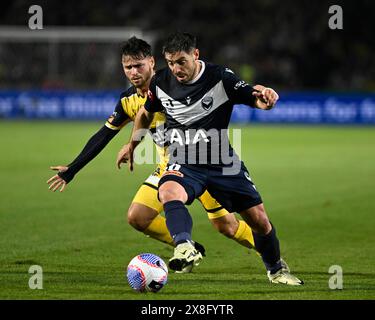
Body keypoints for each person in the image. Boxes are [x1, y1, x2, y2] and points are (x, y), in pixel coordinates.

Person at [46, 36, 259, 273]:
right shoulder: (128, 100)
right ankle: (187, 246)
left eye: (139, 65)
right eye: (128, 67)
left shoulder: (171, 85)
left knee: (226, 227)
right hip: (168, 168)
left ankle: (270, 253)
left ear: (151, 62)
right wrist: (72, 169)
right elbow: (104, 135)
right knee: (138, 216)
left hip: (201, 162)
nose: (134, 72)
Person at [117, 32, 303, 285]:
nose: (176, 69)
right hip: (184, 158)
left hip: (221, 161)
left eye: (181, 61)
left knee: (259, 221)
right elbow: (145, 113)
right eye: (170, 63)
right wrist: (133, 143)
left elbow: (254, 97)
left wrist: (267, 100)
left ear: (195, 54)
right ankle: (184, 246)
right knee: (169, 190)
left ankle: (276, 270)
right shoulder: (160, 82)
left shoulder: (220, 78)